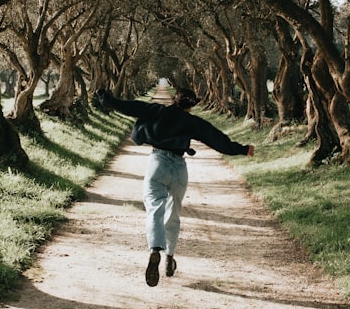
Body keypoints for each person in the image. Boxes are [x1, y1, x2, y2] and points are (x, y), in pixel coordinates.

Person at [96, 86, 255, 287]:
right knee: (173, 214)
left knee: (155, 209)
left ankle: (155, 250)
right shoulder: (192, 121)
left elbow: (126, 106)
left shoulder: (156, 110)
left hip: (158, 164)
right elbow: (215, 138)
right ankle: (170, 257)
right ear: (191, 105)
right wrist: (242, 149)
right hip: (179, 169)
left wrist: (104, 96)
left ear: (174, 99)